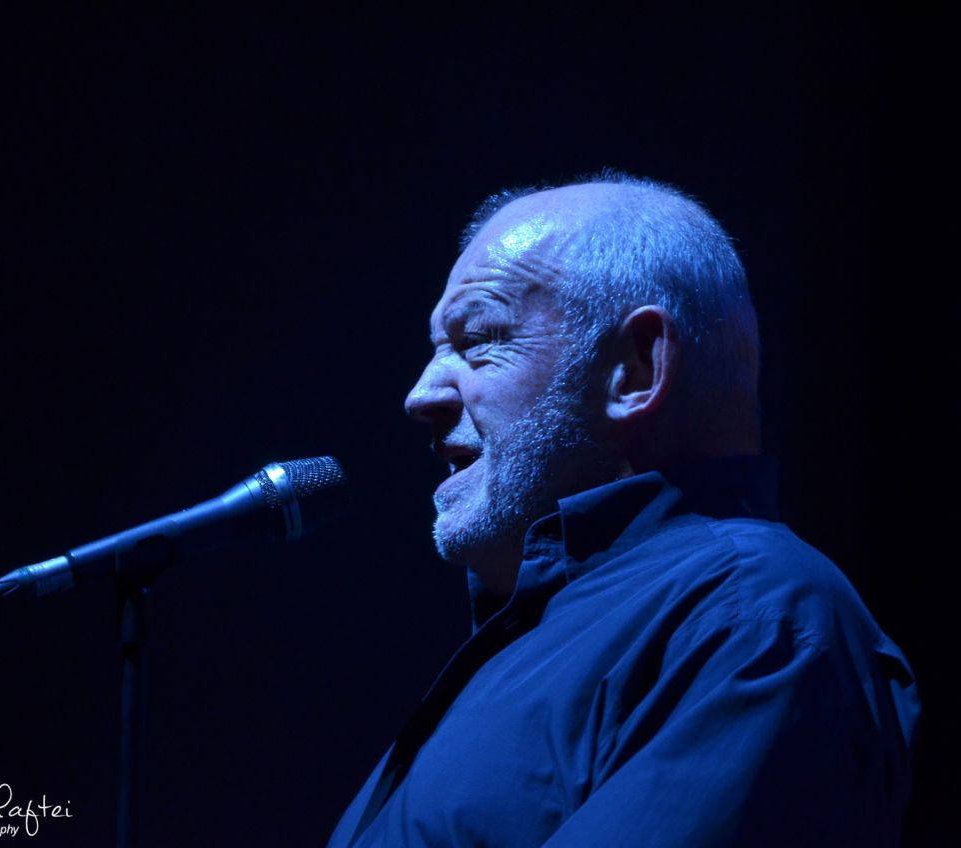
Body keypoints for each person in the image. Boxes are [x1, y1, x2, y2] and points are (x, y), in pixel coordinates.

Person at [326, 172, 919, 847]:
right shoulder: (549, 633)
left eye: (479, 338)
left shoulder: (750, 618)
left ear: (634, 368)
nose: (420, 396)